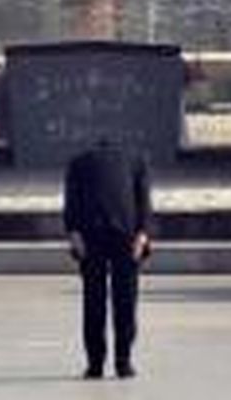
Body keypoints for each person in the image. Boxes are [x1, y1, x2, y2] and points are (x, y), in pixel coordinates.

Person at [63, 138, 152, 381]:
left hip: (91, 235)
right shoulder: (136, 160)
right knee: (126, 302)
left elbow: (71, 202)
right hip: (126, 235)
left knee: (93, 301)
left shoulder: (78, 162)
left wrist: (74, 234)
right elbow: (143, 201)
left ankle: (95, 365)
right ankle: (123, 363)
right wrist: (142, 234)